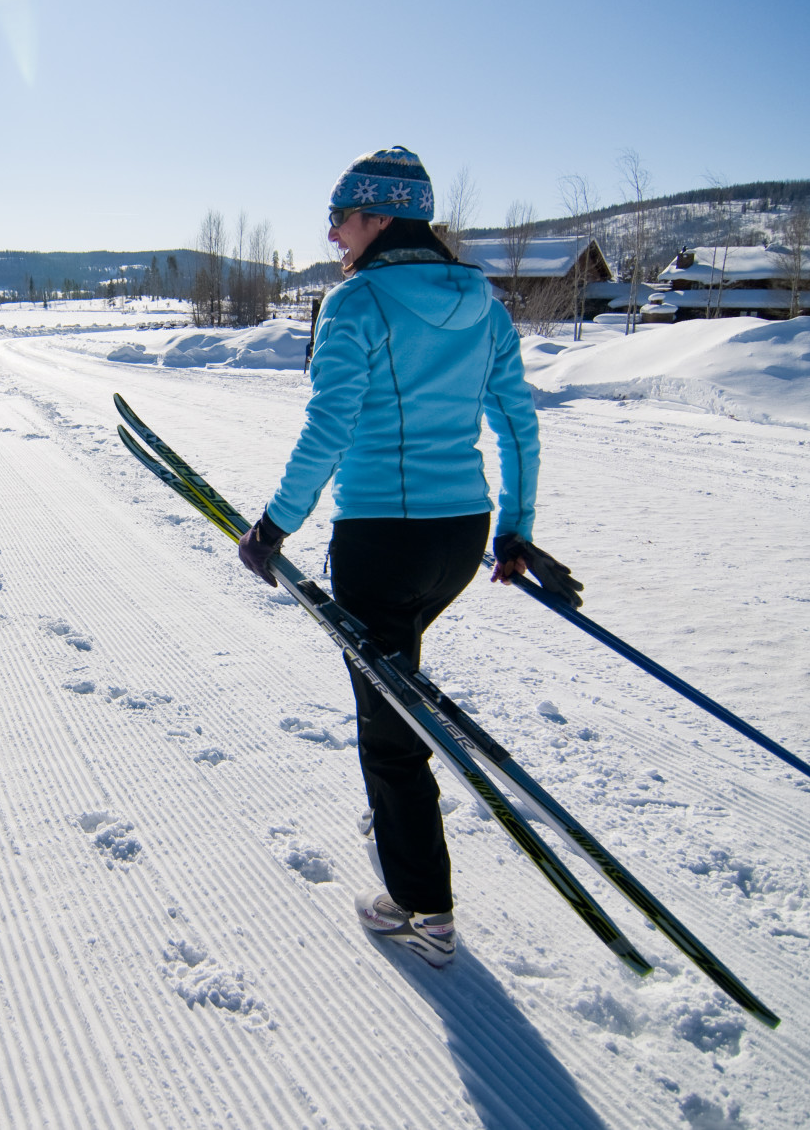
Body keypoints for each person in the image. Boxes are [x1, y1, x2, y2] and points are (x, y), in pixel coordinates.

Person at [235, 147, 581, 967]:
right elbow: (517, 423)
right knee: (394, 675)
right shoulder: (484, 303)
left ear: (381, 218)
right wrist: (517, 530)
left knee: (389, 728)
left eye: (342, 216)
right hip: (459, 535)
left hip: (381, 539)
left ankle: (420, 904)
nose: (332, 232)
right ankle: (395, 824)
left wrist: (274, 526)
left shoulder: (357, 303)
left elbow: (327, 428)